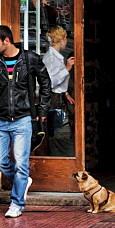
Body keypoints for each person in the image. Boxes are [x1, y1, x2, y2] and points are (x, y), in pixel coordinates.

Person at [0, 24, 52, 219]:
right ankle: (22, 183)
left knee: (21, 163)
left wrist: (42, 110)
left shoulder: (30, 59)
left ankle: (16, 203)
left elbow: (46, 83)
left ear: (6, 40)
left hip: (22, 119)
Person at [42, 25, 75, 157]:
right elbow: (50, 82)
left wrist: (65, 93)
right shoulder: (50, 58)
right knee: (60, 134)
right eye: (65, 38)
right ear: (61, 39)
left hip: (59, 97)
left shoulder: (56, 57)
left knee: (62, 132)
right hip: (54, 101)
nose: (66, 41)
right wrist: (67, 68)